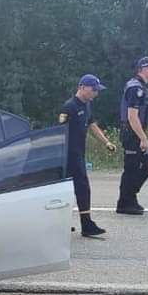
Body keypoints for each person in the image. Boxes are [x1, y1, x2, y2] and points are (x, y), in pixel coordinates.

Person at [59, 74, 115, 237]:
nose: (95, 93)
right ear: (82, 87)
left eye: (97, 90)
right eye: (93, 90)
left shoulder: (86, 105)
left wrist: (106, 142)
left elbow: (92, 125)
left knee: (80, 189)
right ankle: (84, 224)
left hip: (79, 153)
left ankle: (83, 222)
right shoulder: (69, 107)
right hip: (68, 155)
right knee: (77, 189)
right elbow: (60, 131)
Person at [116, 55, 148, 214]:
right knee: (132, 168)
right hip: (133, 133)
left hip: (138, 131)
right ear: (146, 68)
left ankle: (130, 197)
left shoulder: (142, 87)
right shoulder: (135, 88)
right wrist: (143, 138)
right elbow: (132, 116)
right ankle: (124, 202)